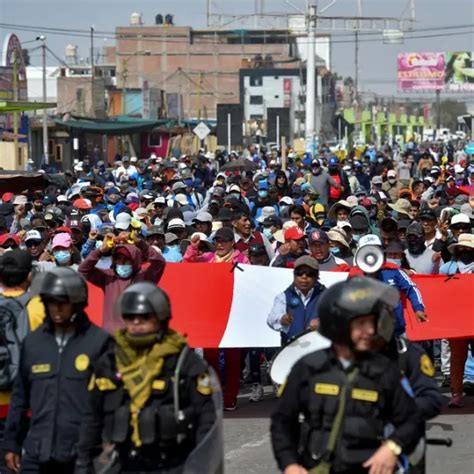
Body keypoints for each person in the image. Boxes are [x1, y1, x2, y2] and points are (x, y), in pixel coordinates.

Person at [271, 276, 423, 474]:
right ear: (338, 324)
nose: (370, 330)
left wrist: (392, 447)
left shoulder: (385, 371)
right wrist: (289, 464)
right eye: (361, 324)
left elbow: (412, 420)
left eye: (372, 323)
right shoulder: (308, 367)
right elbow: (282, 421)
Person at [75, 282, 221, 474]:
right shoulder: (110, 360)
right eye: (130, 316)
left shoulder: (182, 362)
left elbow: (207, 419)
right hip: (124, 464)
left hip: (173, 465)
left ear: (161, 317)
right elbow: (91, 417)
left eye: (144, 317)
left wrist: (200, 466)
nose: (136, 322)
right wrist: (84, 462)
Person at [3, 268, 111, 474]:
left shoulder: (99, 343)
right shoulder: (33, 343)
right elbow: (19, 398)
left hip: (83, 455)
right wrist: (11, 443)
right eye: (51, 302)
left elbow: (112, 401)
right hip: (37, 450)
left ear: (77, 303)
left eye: (63, 302)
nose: (56, 309)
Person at [78, 232, 166, 333]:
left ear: (135, 261)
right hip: (110, 337)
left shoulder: (144, 277)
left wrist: (139, 243)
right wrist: (100, 251)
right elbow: (83, 270)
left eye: (126, 259)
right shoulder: (108, 276)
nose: (121, 263)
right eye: (118, 259)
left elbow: (159, 262)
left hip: (135, 336)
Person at [267, 256, 325, 344]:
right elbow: (271, 320)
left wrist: (324, 323)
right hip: (291, 350)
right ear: (294, 274)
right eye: (299, 272)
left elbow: (339, 320)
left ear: (317, 276)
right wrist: (282, 319)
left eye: (310, 273)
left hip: (319, 350)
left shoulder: (326, 295)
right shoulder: (283, 297)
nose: (304, 277)